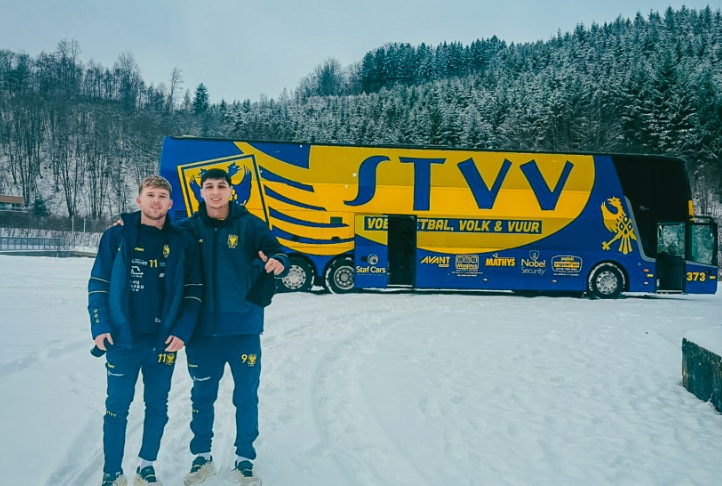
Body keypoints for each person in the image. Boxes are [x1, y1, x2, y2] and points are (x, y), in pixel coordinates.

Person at [88, 175, 203, 486]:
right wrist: (99, 325)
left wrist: (182, 330)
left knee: (157, 406)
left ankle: (146, 467)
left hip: (162, 342)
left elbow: (194, 291)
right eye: (150, 195)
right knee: (116, 407)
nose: (156, 201)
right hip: (122, 340)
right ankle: (112, 472)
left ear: (170, 203)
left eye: (162, 196)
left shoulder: (183, 241)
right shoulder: (117, 236)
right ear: (139, 200)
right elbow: (98, 283)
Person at [180, 168, 288, 486]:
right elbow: (152, 231)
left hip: (243, 330)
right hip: (201, 333)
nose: (215, 192)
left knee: (246, 397)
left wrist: (279, 262)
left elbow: (279, 252)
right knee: (202, 396)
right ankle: (202, 457)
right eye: (209, 186)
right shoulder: (188, 228)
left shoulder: (250, 224)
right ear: (201, 192)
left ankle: (245, 460)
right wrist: (126, 224)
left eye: (221, 186)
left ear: (230, 191)